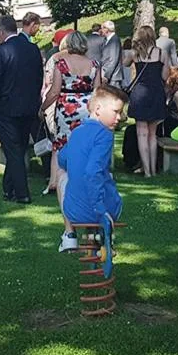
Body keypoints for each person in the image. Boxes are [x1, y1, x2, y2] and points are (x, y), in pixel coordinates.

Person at [57, 85, 128, 252]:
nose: (119, 118)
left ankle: (69, 233)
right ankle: (99, 233)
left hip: (75, 213)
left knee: (62, 176)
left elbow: (62, 159)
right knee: (103, 175)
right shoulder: (104, 135)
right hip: (106, 210)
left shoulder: (76, 132)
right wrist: (100, 209)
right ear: (98, 109)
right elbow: (92, 172)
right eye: (116, 112)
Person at [0, 15, 44, 203]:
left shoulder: (0, 51)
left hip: (5, 108)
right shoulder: (33, 49)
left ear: (1, 32)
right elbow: (38, 78)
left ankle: (22, 193)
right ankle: (8, 188)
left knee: (14, 150)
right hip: (28, 106)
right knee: (17, 148)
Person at [39, 31, 100, 197]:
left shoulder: (61, 64)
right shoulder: (94, 64)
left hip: (66, 107)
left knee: (61, 145)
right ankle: (83, 184)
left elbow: (53, 92)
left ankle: (59, 183)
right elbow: (98, 91)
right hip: (87, 107)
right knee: (85, 147)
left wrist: (43, 108)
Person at [125, 26, 170, 178]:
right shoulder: (162, 53)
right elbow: (165, 76)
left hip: (140, 93)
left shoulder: (135, 54)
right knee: (153, 134)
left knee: (141, 134)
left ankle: (147, 171)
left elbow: (124, 63)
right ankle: (153, 169)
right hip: (156, 93)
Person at [99, 20, 124, 88]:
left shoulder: (114, 40)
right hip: (109, 76)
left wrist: (107, 76)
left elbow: (113, 60)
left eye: (102, 28)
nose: (101, 30)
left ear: (107, 29)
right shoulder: (107, 40)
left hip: (113, 77)